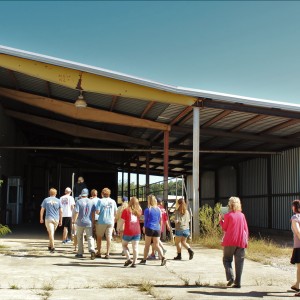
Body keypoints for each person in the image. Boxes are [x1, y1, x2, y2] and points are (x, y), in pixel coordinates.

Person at [219, 196, 249, 288]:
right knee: (240, 262)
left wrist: (220, 220)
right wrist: (246, 240)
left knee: (227, 260)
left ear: (230, 205)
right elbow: (245, 229)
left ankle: (231, 277)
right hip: (241, 242)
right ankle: (238, 282)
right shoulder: (242, 215)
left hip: (230, 241)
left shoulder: (228, 215)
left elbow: (225, 228)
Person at [139, 195, 166, 266]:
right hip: (157, 228)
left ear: (149, 201)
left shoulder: (147, 210)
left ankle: (144, 259)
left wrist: (144, 227)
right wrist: (160, 228)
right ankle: (163, 257)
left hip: (149, 227)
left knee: (147, 245)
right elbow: (160, 220)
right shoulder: (158, 209)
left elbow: (145, 220)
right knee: (157, 245)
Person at [73, 188, 96, 259]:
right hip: (88, 222)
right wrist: (93, 221)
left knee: (80, 237)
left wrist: (74, 220)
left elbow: (77, 212)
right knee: (90, 237)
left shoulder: (78, 202)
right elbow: (93, 213)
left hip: (80, 222)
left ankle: (80, 252)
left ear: (81, 194)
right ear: (87, 194)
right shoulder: (91, 202)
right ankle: (92, 249)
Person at [119, 196, 142, 268]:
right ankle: (134, 263)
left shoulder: (126, 210)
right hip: (137, 231)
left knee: (124, 245)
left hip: (128, 231)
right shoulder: (139, 211)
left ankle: (128, 258)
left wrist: (118, 228)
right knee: (135, 247)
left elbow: (122, 221)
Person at [95, 187, 117, 259]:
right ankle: (107, 253)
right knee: (108, 237)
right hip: (110, 221)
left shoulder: (100, 201)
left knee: (99, 237)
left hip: (102, 221)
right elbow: (115, 212)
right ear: (109, 194)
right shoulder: (113, 201)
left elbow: (97, 212)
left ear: (102, 194)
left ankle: (99, 252)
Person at [40, 188, 62, 253]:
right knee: (52, 233)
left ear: (49, 193)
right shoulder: (58, 201)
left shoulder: (46, 200)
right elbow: (61, 211)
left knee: (51, 233)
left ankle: (52, 248)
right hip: (56, 219)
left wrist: (41, 218)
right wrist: (61, 220)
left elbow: (42, 210)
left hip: (48, 218)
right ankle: (50, 246)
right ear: (56, 193)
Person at [290, 199, 300, 296]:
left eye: (293, 205)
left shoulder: (295, 217)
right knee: (299, 267)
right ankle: (297, 285)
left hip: (299, 246)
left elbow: (297, 231)